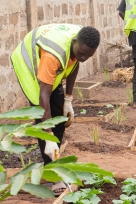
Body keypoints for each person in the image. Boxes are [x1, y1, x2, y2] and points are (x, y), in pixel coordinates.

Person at [10, 24, 101, 194]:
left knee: (59, 115)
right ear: (75, 42)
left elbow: (74, 64)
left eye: (88, 56)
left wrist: (68, 99)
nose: (83, 58)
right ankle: (51, 173)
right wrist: (49, 135)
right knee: (44, 117)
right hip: (28, 67)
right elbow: (44, 95)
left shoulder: (83, 40)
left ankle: (51, 168)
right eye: (81, 53)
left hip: (50, 67)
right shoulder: (53, 55)